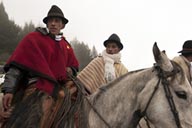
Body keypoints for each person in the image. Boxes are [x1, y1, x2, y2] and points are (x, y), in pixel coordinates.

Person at [0, 5, 79, 128]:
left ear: (62, 25)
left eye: (57, 21)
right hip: (35, 87)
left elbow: (74, 66)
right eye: (50, 21)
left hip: (60, 88)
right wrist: (9, 90)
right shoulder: (33, 39)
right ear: (47, 24)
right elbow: (16, 67)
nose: (53, 24)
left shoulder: (65, 45)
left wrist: (70, 70)